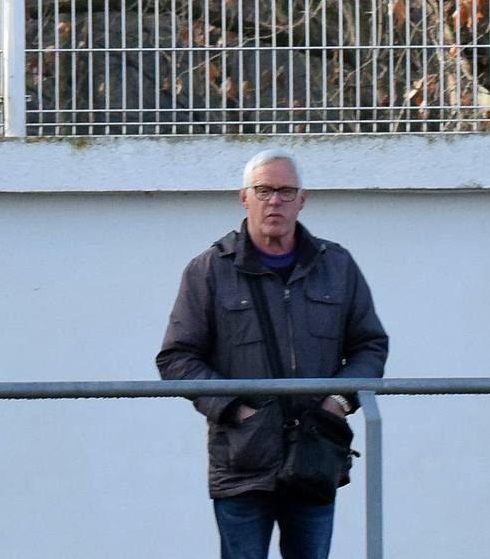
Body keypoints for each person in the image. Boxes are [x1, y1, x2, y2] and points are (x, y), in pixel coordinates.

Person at [156, 149, 390, 559]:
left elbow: (370, 345)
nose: (274, 201)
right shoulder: (209, 270)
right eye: (263, 190)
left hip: (316, 456)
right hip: (242, 460)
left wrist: (338, 402)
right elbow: (178, 358)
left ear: (303, 199)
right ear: (243, 198)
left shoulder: (337, 265)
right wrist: (234, 409)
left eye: (285, 191)